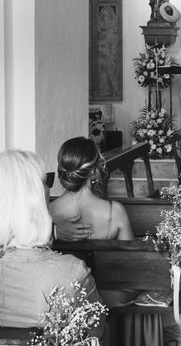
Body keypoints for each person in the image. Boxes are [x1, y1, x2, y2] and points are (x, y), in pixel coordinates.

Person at [0, 149, 104, 334]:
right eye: (45, 182)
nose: (49, 189)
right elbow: (99, 334)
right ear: (33, 200)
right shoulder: (72, 274)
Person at [49, 137, 136, 307]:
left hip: (64, 293)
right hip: (108, 292)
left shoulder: (48, 211)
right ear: (94, 170)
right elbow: (130, 261)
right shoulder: (114, 211)